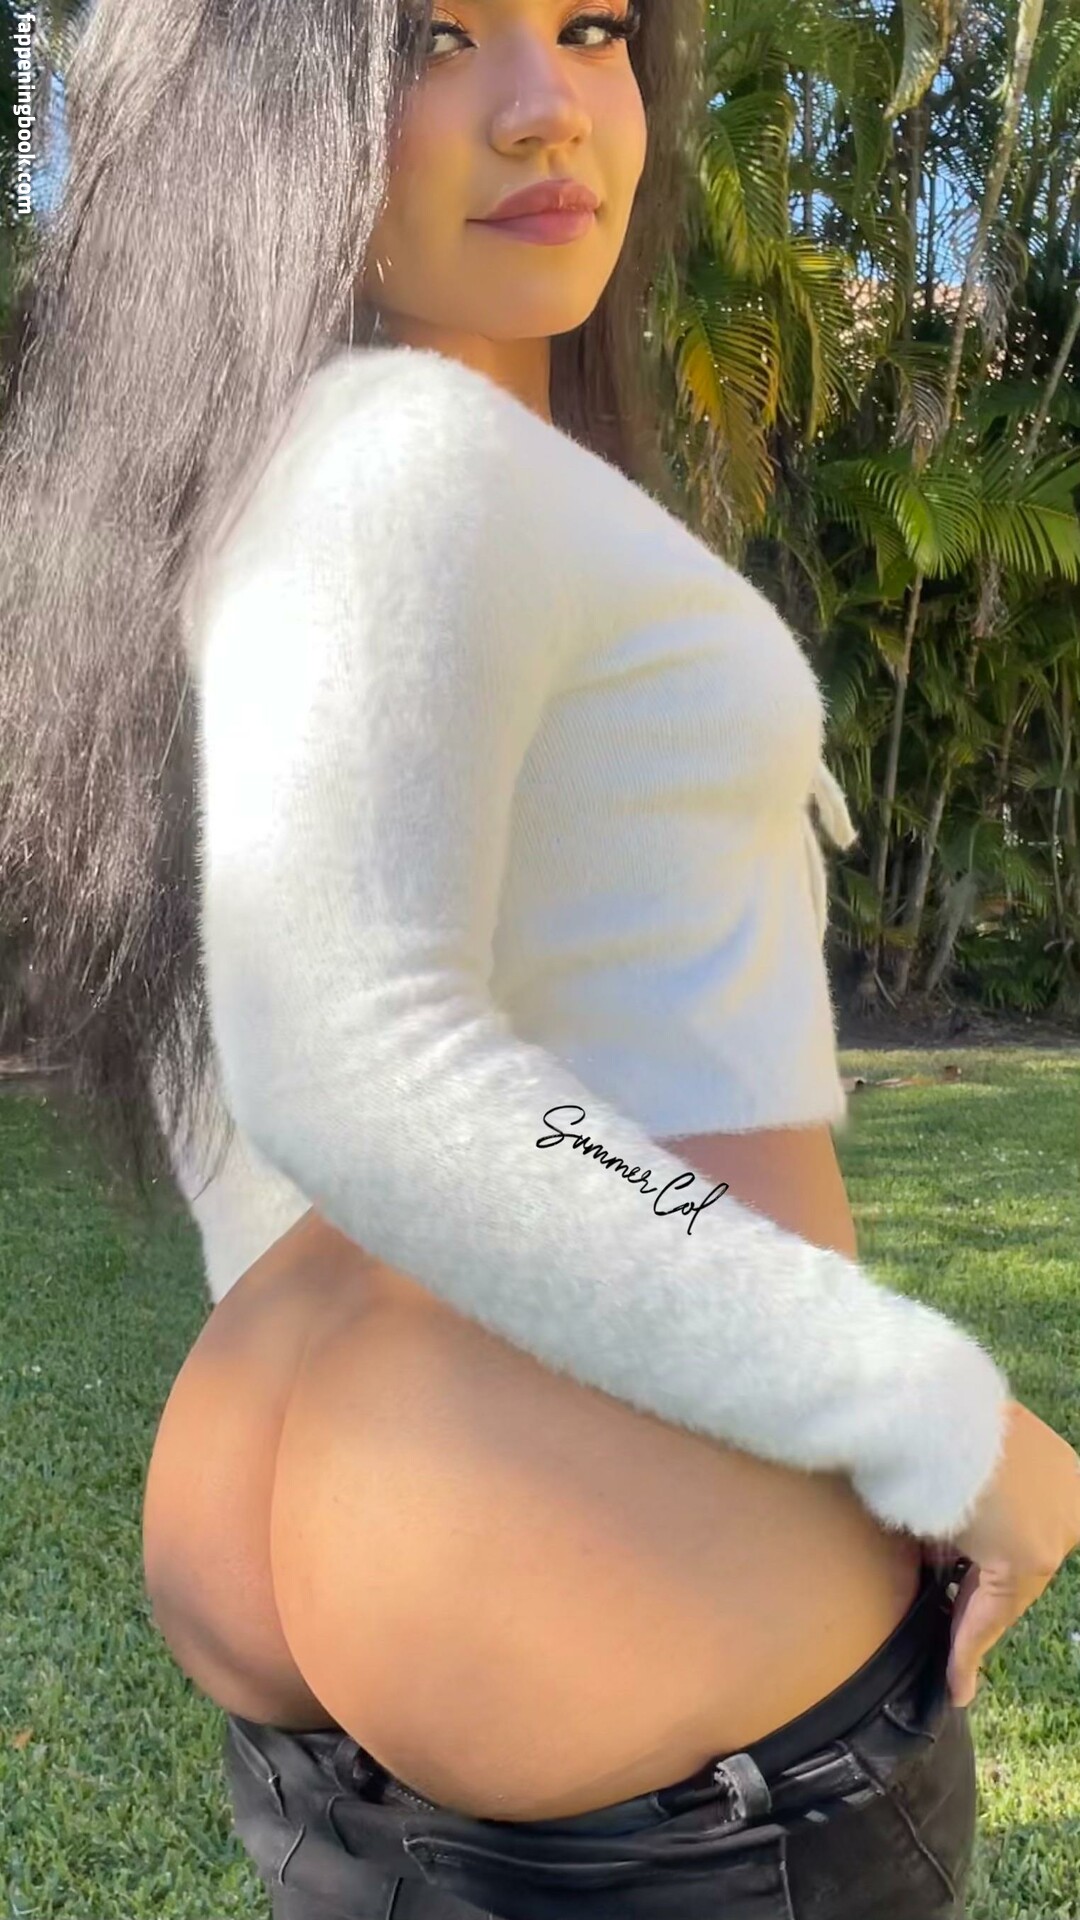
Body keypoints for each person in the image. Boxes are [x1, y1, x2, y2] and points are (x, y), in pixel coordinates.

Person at [1, 1, 1077, 1918]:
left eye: (588, 29)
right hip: (639, 1643)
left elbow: (247, 1040)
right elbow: (358, 1055)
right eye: (439, 37)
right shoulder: (408, 460)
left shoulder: (240, 480)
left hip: (349, 1687)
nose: (546, 111)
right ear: (276, 110)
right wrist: (929, 1415)